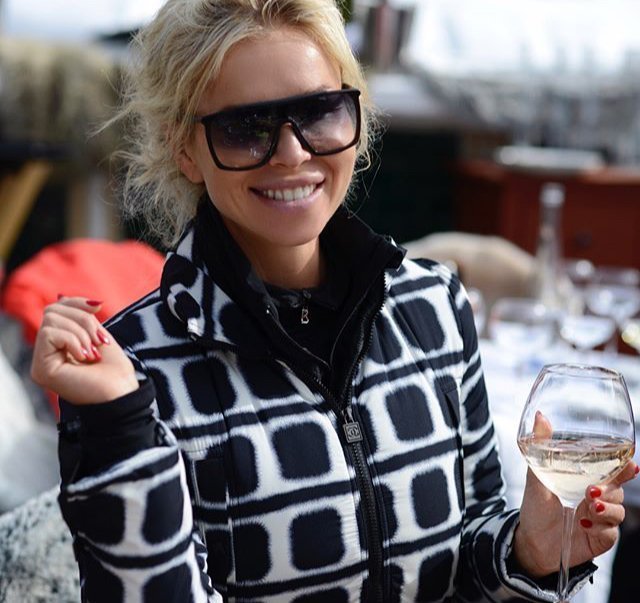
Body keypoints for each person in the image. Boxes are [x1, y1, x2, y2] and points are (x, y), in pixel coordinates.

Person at [31, 0, 637, 601]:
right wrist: (119, 425)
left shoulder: (436, 307)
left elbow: (471, 551)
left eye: (319, 112)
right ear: (184, 149)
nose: (292, 153)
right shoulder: (130, 371)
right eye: (246, 128)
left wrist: (525, 552)